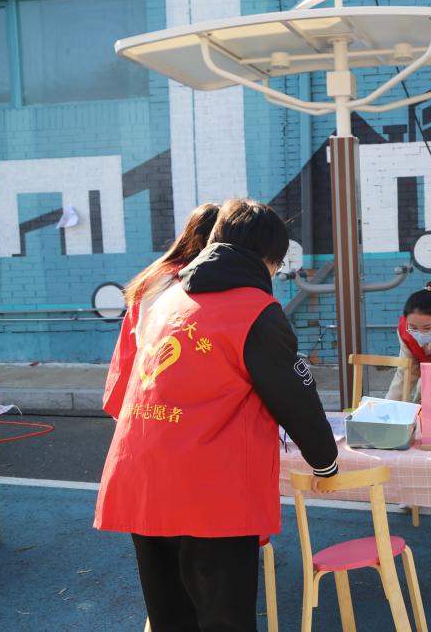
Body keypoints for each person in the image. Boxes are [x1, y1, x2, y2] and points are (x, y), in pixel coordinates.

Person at [95, 199, 339, 632]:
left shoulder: (167, 300)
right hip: (211, 492)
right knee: (224, 619)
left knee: (170, 618)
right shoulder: (255, 310)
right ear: (269, 259)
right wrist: (325, 461)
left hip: (143, 479)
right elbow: (295, 396)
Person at [102, 202, 220, 419]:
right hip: (149, 382)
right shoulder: (169, 278)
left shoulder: (171, 272)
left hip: (148, 380)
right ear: (202, 239)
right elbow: (148, 337)